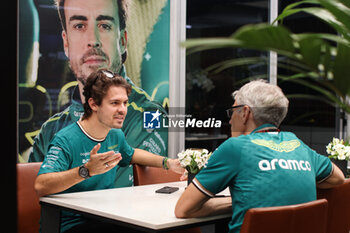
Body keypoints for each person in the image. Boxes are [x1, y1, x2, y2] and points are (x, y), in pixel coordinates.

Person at [29, 0, 168, 188]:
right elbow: (33, 196)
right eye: (79, 25)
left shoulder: (150, 116)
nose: (92, 39)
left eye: (104, 25)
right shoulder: (49, 131)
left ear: (123, 41)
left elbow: (116, 202)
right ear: (66, 43)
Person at [174, 79, 345, 233]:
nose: (230, 120)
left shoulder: (235, 147)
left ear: (245, 112)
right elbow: (338, 177)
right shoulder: (297, 144)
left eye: (233, 111)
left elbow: (184, 209)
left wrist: (237, 203)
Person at [35, 69, 183, 233]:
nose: (123, 110)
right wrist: (86, 171)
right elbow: (41, 185)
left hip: (106, 218)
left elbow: (131, 154)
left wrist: (167, 162)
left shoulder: (114, 134)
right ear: (93, 104)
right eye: (115, 103)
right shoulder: (65, 139)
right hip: (71, 225)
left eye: (125, 103)